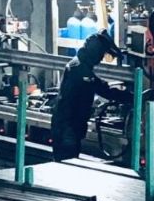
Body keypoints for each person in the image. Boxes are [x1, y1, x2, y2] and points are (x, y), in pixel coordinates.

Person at [51, 30, 127, 162]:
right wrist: (130, 97)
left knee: (68, 162)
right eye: (101, 54)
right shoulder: (80, 70)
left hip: (69, 126)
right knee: (67, 164)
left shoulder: (79, 64)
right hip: (67, 128)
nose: (101, 58)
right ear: (95, 52)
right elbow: (102, 89)